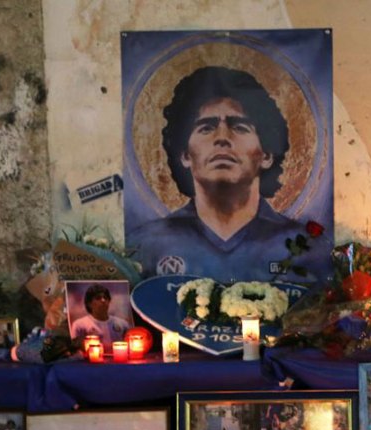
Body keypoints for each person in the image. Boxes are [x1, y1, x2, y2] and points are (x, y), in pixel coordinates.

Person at [127, 66, 330, 284]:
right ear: (185, 155)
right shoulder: (145, 245)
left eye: (240, 127)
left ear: (266, 154)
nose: (222, 137)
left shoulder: (308, 248)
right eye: (206, 128)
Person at [70, 284, 130, 351]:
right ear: (89, 304)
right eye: (98, 298)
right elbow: (75, 350)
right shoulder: (79, 325)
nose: (103, 300)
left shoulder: (123, 324)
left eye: (105, 298)